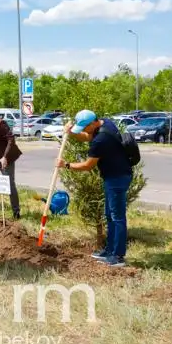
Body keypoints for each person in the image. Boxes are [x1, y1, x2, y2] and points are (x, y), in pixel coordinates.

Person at [56, 109, 133, 267]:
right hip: (113, 176)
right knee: (110, 215)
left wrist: (66, 165)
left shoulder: (101, 140)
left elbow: (87, 165)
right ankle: (110, 250)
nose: (83, 130)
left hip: (117, 178)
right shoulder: (105, 123)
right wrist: (70, 133)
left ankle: (118, 257)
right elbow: (86, 136)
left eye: (85, 127)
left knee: (117, 217)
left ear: (92, 123)